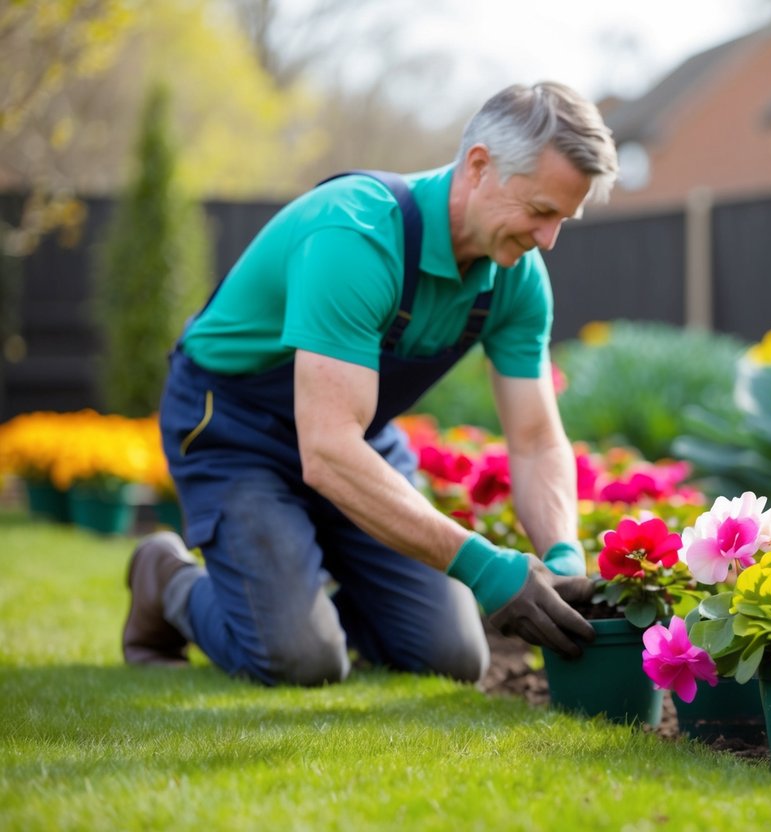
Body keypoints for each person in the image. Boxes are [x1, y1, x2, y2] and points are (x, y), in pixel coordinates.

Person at [121, 81, 619, 686]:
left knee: (453, 657)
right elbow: (328, 452)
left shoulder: (515, 277)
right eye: (541, 211)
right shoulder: (355, 235)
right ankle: (166, 579)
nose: (548, 240)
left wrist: (563, 555)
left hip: (355, 435)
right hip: (234, 431)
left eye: (563, 219)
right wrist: (486, 568)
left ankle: (293, 585)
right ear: (480, 166)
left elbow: (538, 439)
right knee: (301, 659)